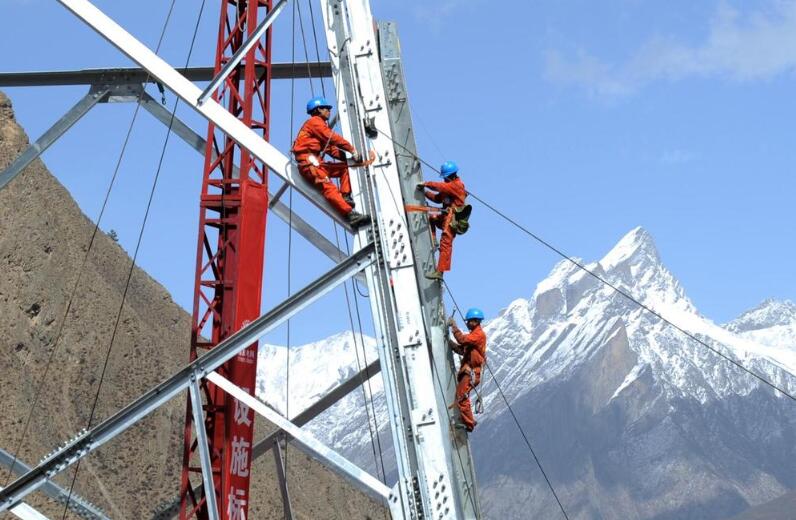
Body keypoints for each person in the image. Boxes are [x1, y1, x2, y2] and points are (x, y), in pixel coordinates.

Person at [292, 96, 371, 228]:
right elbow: (331, 137)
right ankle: (350, 215)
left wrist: (349, 159)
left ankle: (345, 197)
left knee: (344, 169)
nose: (329, 111)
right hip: (309, 164)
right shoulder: (314, 122)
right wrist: (351, 150)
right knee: (328, 187)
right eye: (326, 108)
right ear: (318, 109)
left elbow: (330, 149)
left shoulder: (318, 128)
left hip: (316, 163)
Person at [417, 160, 467, 279]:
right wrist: (425, 193)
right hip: (445, 218)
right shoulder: (448, 187)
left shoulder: (457, 185)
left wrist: (425, 184)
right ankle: (434, 240)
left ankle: (440, 272)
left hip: (452, 221)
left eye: (445, 177)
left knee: (446, 244)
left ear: (451, 176)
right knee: (432, 217)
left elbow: (440, 187)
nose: (444, 179)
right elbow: (438, 198)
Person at [448, 307, 487, 433]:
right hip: (469, 372)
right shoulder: (474, 336)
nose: (467, 323)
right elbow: (462, 349)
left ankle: (469, 424)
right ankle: (468, 422)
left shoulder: (478, 335)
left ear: (475, 321)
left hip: (471, 373)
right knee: (462, 396)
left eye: (469, 321)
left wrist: (454, 327)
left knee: (461, 397)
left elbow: (462, 339)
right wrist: (450, 344)